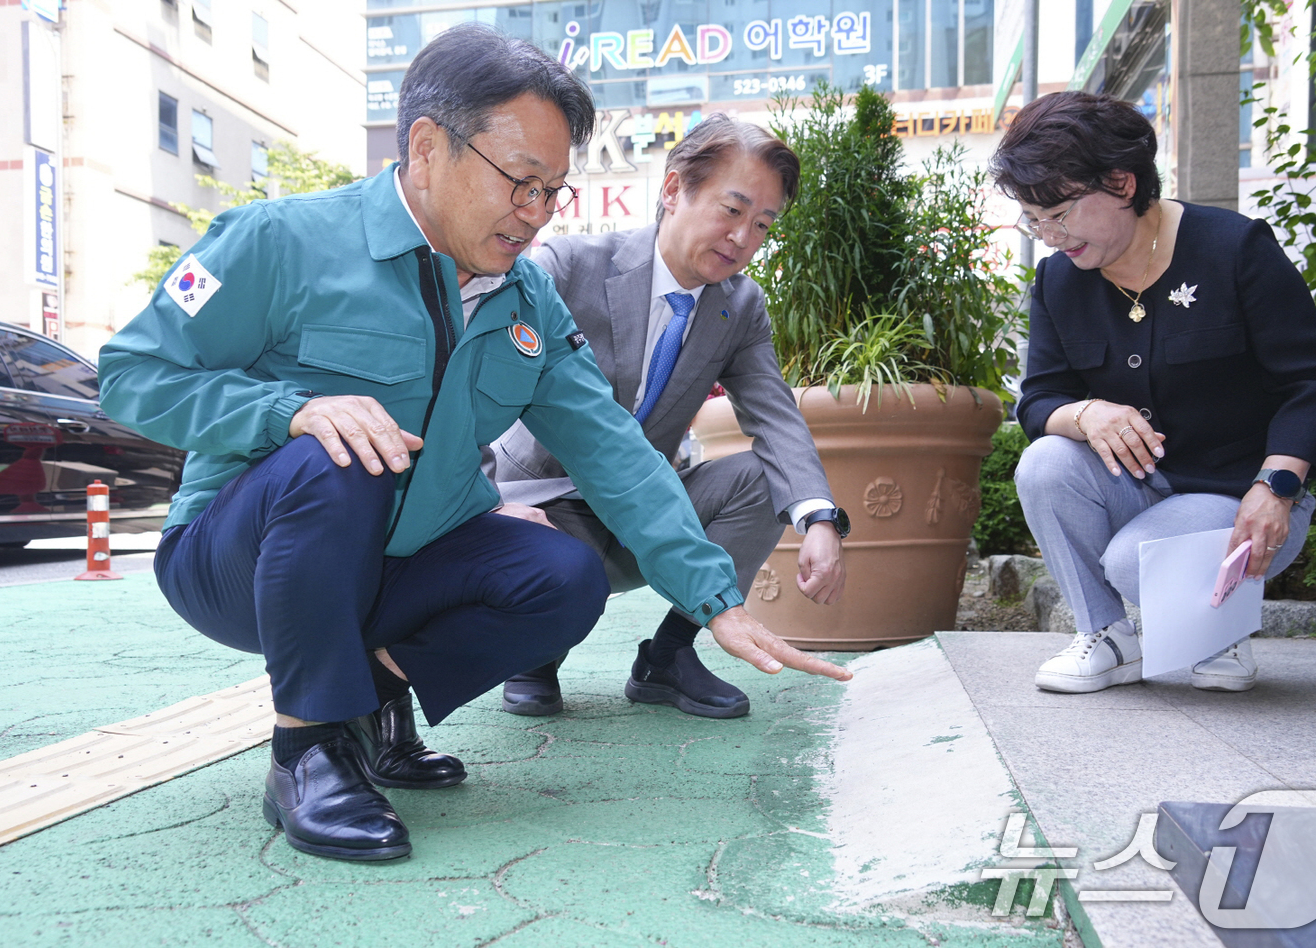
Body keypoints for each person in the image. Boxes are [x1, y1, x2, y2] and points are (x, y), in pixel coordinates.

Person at [98, 25, 850, 864]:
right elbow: (132, 374)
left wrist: (716, 598)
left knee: (562, 574)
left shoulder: (528, 300)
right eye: (520, 182)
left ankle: (368, 698)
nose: (534, 214)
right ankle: (305, 754)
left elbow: (614, 451)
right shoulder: (277, 241)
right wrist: (287, 413)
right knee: (338, 446)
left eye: (553, 192)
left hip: (399, 571)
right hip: (241, 562)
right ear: (426, 147)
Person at [485, 115, 848, 720]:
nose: (743, 237)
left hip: (644, 509)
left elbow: (775, 417)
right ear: (674, 189)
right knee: (553, 568)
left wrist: (818, 518)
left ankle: (668, 656)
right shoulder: (567, 266)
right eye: (731, 210)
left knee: (765, 480)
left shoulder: (741, 304)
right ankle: (535, 654)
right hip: (540, 503)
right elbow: (473, 384)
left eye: (762, 224)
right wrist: (484, 502)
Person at [988, 91, 1316, 694]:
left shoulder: (1234, 249)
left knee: (1136, 564)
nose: (1048, 235)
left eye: (1060, 214)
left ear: (1122, 183)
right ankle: (1108, 638)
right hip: (1137, 491)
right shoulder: (1058, 279)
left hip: (1243, 497)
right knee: (1045, 463)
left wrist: (1277, 487)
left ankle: (1217, 629)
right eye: (1033, 219)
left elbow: (1313, 383)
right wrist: (1086, 414)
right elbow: (1039, 400)